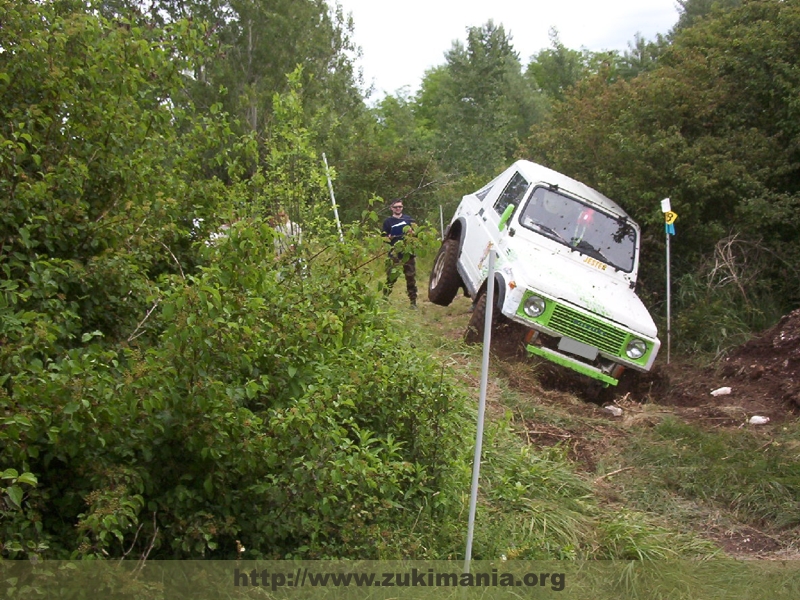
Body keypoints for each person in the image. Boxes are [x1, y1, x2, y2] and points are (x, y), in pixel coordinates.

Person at [382, 199, 418, 308]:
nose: (398, 209)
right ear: (391, 208)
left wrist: (412, 233)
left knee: (410, 278)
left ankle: (413, 302)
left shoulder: (408, 219)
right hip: (394, 253)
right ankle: (385, 299)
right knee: (391, 277)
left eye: (400, 207)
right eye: (396, 207)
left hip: (408, 253)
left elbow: (416, 235)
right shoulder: (388, 222)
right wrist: (389, 237)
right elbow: (383, 237)